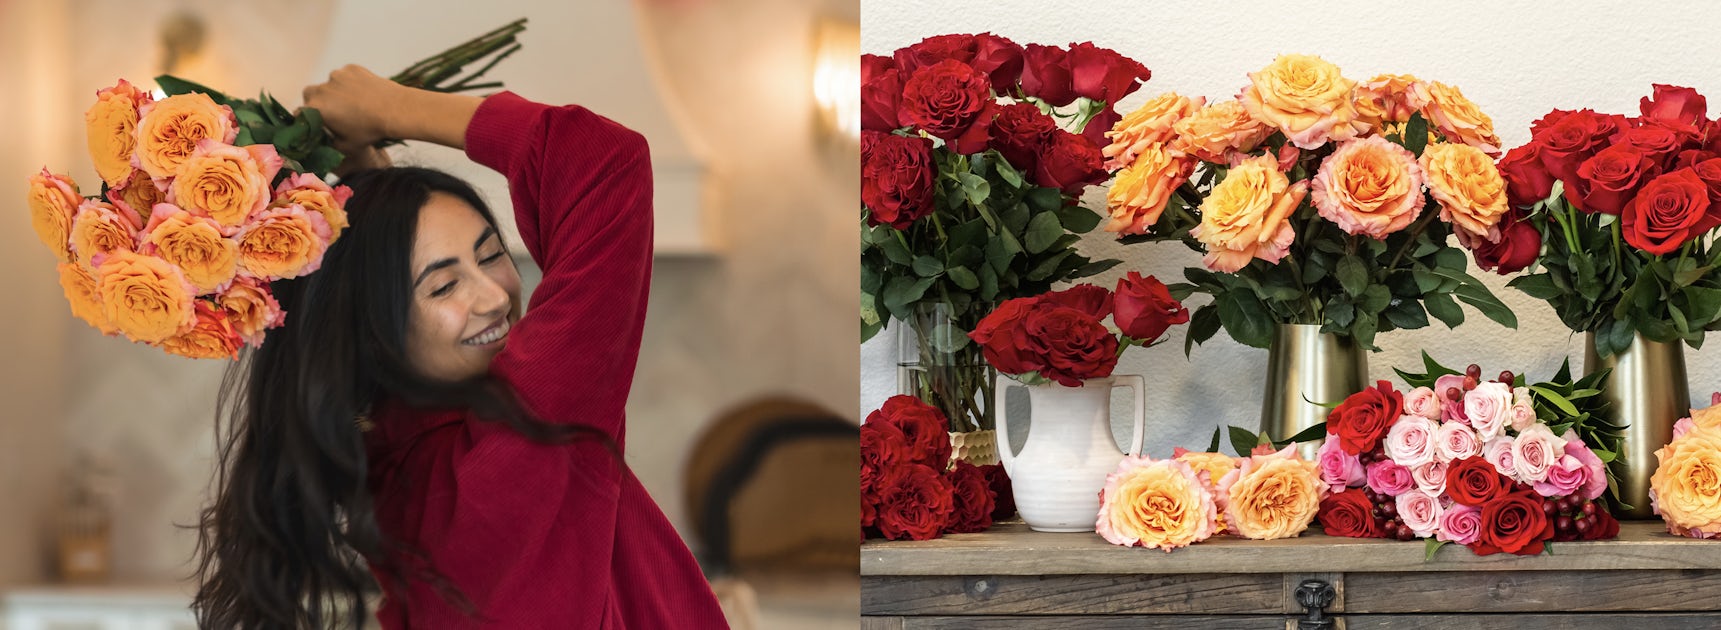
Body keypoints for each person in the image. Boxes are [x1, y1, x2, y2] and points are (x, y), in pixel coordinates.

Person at [189, 65, 730, 629]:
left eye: (492, 254)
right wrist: (391, 107)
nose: (493, 296)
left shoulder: (395, 463)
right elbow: (605, 162)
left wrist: (377, 191)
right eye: (444, 285)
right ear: (375, 330)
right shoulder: (514, 438)